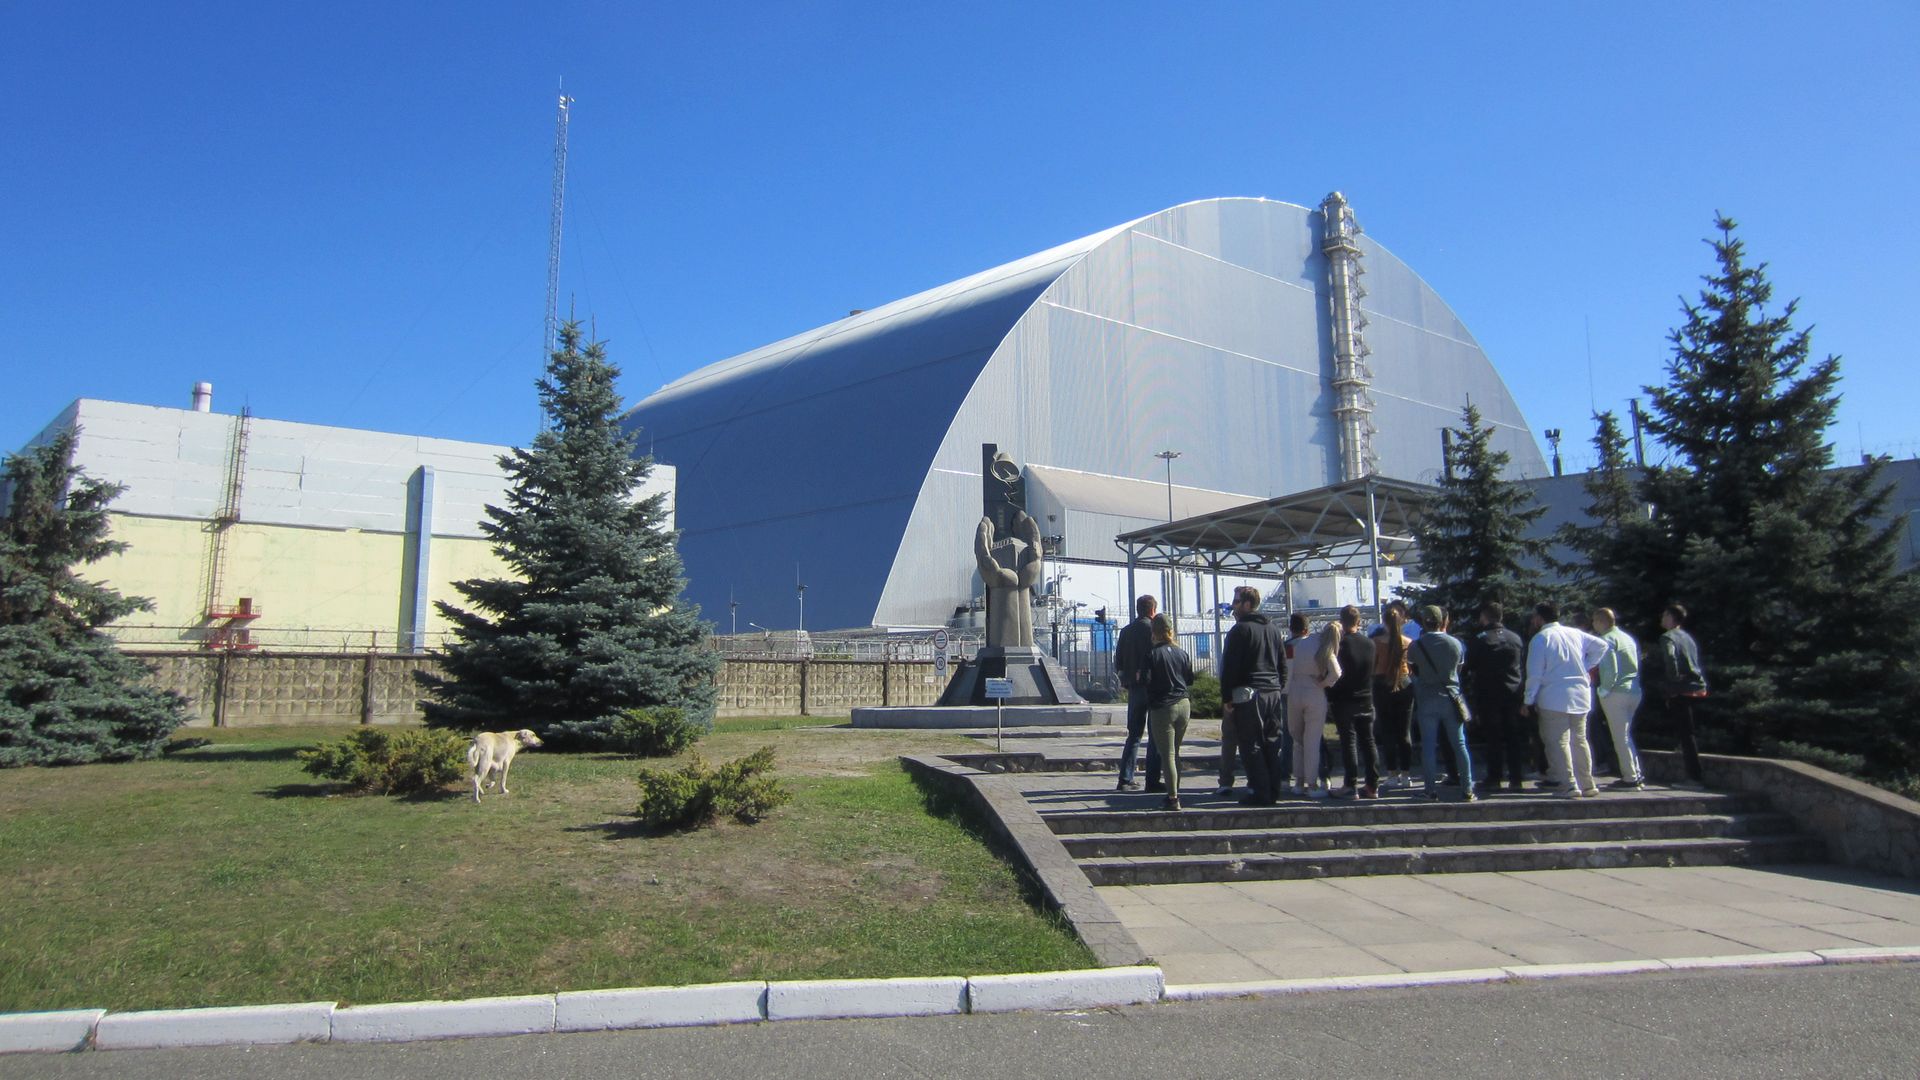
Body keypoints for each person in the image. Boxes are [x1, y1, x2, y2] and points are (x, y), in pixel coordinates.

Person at [1524, 601, 1611, 799]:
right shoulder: (1575, 633)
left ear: (1538, 618)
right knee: (1579, 740)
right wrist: (1586, 666)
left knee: (1558, 742)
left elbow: (1535, 674)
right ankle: (1587, 783)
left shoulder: (1540, 639)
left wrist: (1528, 700)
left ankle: (1569, 784)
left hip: (1553, 696)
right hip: (1580, 694)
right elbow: (1602, 645)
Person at [1217, 585, 1287, 805]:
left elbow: (1230, 666)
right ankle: (1273, 789)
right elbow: (1282, 664)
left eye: (1237, 602)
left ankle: (1259, 791)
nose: (1234, 606)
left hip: (1249, 693)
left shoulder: (1240, 630)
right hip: (1273, 691)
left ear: (1247, 604)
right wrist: (1278, 686)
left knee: (1251, 744)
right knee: (1272, 742)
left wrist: (1227, 697)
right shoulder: (1274, 630)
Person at [1408, 605, 1475, 801]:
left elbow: (1414, 671)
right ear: (1443, 621)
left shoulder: (1416, 646)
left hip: (1427, 697)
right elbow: (1459, 669)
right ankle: (1467, 788)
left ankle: (1430, 790)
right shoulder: (1455, 644)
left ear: (1424, 622)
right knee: (1459, 744)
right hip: (1451, 697)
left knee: (1429, 745)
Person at [1464, 602, 1527, 793]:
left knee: (1493, 737)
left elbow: (1469, 666)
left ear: (1485, 617)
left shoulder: (1481, 639)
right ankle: (1516, 778)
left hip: (1489, 694)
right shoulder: (1515, 638)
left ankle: (1494, 777)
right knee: (1513, 736)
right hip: (1513, 693)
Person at [1284, 613, 1340, 798]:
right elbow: (1336, 673)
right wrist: (1323, 683)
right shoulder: (1320, 644)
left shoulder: (1290, 646)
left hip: (1293, 690)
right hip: (1314, 691)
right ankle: (1312, 784)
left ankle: (1298, 782)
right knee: (1312, 741)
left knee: (1297, 740)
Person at [1327, 604, 1380, 798]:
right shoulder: (1370, 644)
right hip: (1366, 696)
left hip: (1344, 699)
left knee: (1349, 742)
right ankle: (1372, 785)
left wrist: (1330, 698)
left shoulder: (1340, 645)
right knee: (1368, 741)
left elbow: (1335, 674)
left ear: (1341, 621)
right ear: (1359, 622)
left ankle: (1350, 784)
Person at [1112, 595, 1164, 792]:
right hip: (1153, 688)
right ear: (1153, 610)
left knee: (1134, 735)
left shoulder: (1126, 631)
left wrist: (1126, 680)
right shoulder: (1154, 630)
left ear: (1138, 609)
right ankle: (1152, 779)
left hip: (1134, 688)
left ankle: (1125, 778)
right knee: (1156, 734)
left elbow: (1119, 660)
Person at [1144, 612, 1194, 811]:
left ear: (1153, 632)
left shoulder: (1153, 654)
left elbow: (1146, 681)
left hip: (1163, 707)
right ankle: (1176, 789)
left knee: (1167, 754)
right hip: (1184, 704)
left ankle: (1173, 798)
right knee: (1176, 752)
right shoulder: (1182, 653)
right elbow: (1189, 679)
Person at [1655, 603, 1709, 788]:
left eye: (1664, 615)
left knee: (1686, 734)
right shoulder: (1688, 637)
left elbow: (1671, 659)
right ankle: (1694, 775)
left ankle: (1694, 778)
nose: (1662, 618)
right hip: (1697, 686)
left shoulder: (1667, 637)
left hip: (1681, 689)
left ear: (1671, 617)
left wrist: (1672, 681)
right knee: (1690, 733)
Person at [1591, 607, 1644, 790]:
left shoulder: (1605, 640)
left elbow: (1610, 668)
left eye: (1594, 621)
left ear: (1600, 621)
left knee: (1620, 737)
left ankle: (1630, 778)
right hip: (1633, 690)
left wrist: (1603, 689)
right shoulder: (1626, 638)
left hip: (1616, 692)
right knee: (1626, 735)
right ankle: (1635, 773)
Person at [1371, 603, 1415, 789]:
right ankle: (1406, 774)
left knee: (1387, 730)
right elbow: (1412, 667)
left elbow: (1373, 665)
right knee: (1404, 732)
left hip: (1382, 684)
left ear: (1384, 622)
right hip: (1404, 683)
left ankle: (1391, 773)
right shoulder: (1408, 642)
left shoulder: (1376, 642)